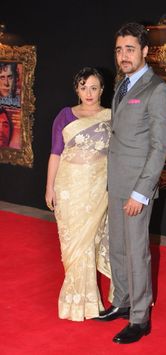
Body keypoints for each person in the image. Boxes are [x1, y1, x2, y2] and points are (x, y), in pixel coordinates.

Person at [94, 23, 166, 344]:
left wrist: (141, 192)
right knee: (118, 247)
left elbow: (158, 147)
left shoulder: (158, 90)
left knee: (136, 252)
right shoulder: (123, 85)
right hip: (115, 182)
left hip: (137, 187)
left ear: (144, 51)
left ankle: (140, 319)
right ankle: (123, 302)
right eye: (118, 49)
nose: (123, 55)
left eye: (129, 49)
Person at [45, 67, 112, 321]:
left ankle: (89, 303)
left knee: (89, 242)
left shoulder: (111, 117)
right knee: (72, 245)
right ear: (77, 89)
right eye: (84, 87)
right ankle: (79, 302)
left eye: (94, 87)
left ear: (102, 90)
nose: (89, 93)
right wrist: (50, 186)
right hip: (68, 187)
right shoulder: (65, 115)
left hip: (97, 189)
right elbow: (55, 153)